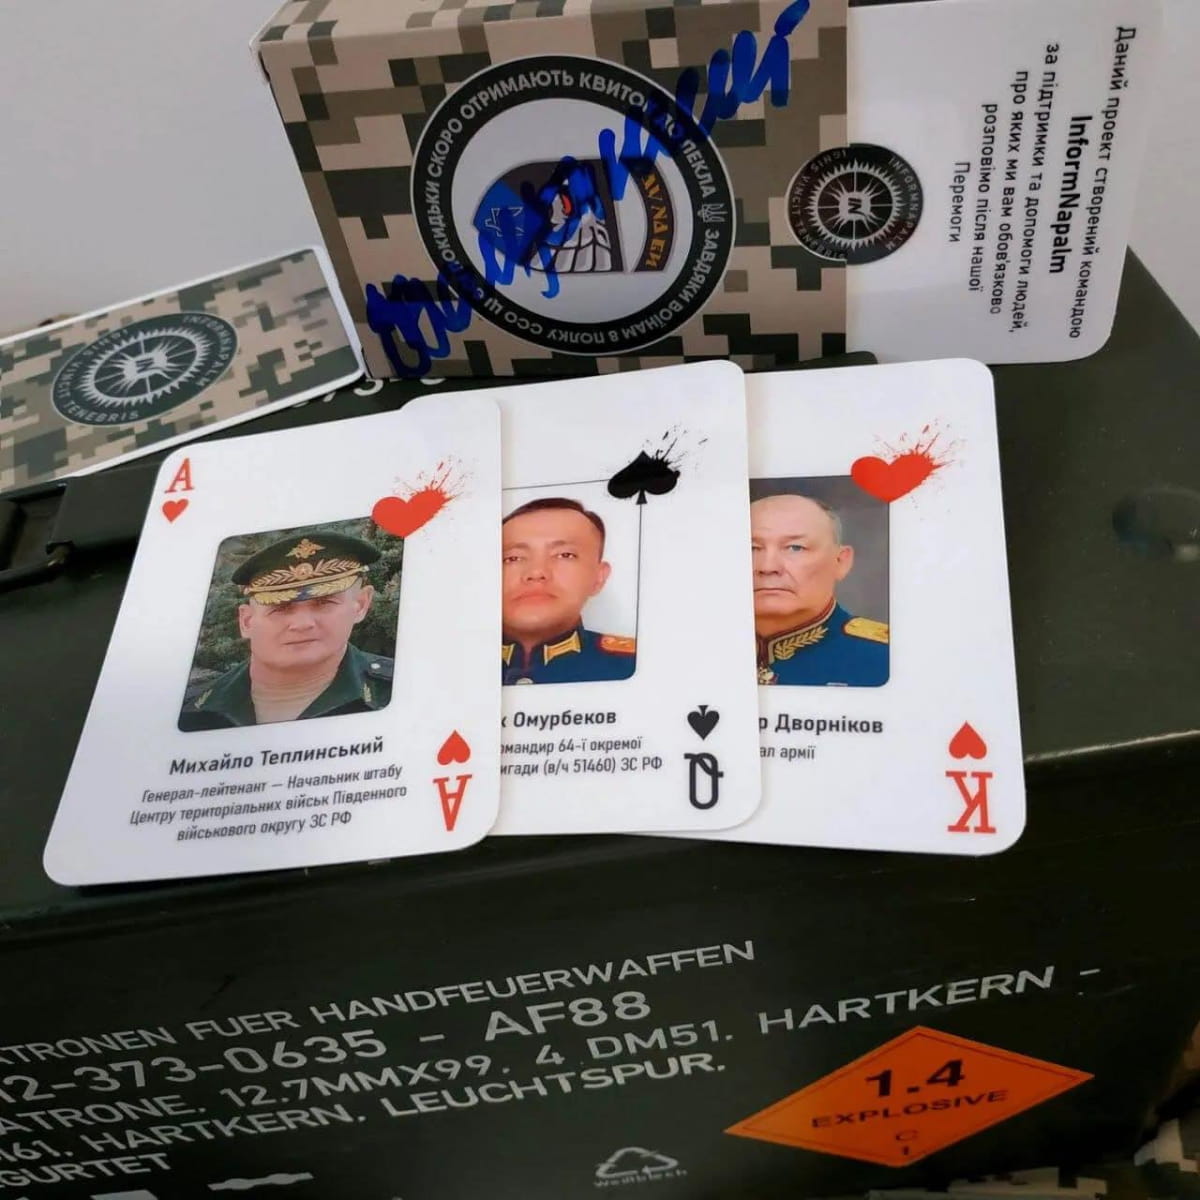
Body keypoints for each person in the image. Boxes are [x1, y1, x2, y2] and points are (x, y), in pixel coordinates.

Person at [179, 531, 393, 729]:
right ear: (246, 621)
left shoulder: (400, 690)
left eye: (324, 602)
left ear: (361, 605)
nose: (302, 624)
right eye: (281, 608)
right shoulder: (186, 711)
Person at [751, 492, 888, 686]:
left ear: (840, 561)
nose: (767, 567)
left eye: (795, 548)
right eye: (752, 548)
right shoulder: (707, 649)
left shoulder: (887, 658)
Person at [501, 497, 635, 685]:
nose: (536, 573)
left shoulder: (636, 664)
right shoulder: (458, 664)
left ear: (599, 577)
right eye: (513, 558)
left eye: (565, 555)